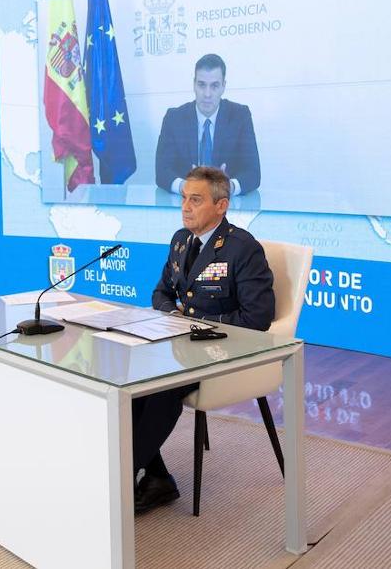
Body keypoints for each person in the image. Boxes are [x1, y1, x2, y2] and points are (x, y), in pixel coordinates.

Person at [132, 165, 275, 514]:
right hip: (182, 343)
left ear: (221, 205)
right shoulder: (181, 240)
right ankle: (157, 476)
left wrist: (195, 323)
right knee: (130, 379)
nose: (185, 207)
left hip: (224, 349)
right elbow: (161, 293)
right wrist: (174, 315)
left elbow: (257, 318)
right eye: (184, 198)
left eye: (195, 200)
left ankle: (120, 474)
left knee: (162, 386)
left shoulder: (243, 248)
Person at [155, 53, 261, 197]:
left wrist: (229, 186)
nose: (207, 94)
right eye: (201, 85)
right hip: (186, 204)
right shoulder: (174, 118)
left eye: (214, 86)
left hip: (226, 205)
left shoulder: (240, 116)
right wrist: (184, 186)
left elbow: (253, 173)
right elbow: (161, 172)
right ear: (194, 84)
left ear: (223, 86)